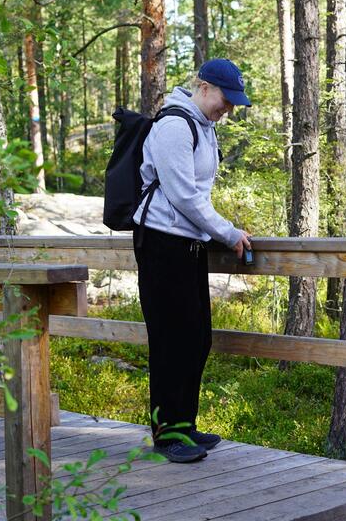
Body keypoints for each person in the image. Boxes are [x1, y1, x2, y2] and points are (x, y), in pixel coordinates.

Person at [133, 58, 252, 463]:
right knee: (171, 339)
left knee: (196, 337)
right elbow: (183, 195)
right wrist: (229, 233)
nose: (228, 108)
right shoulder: (174, 126)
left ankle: (184, 425)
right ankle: (167, 435)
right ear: (203, 88)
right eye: (225, 99)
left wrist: (215, 232)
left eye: (233, 103)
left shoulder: (203, 127)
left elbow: (197, 194)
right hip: (161, 242)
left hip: (188, 244)